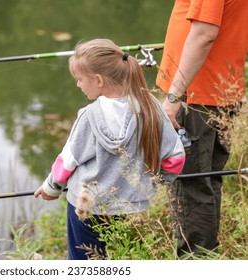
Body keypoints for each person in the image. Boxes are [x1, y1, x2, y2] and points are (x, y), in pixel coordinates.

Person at [34, 38, 186, 260]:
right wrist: (153, 183)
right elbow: (175, 158)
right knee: (128, 260)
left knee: (85, 263)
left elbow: (68, 160)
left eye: (79, 79)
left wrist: (51, 188)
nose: (78, 84)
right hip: (133, 207)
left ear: (98, 80)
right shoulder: (152, 107)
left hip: (86, 208)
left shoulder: (89, 115)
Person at [156, 0, 248, 257]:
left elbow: (204, 33)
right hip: (217, 92)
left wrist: (174, 97)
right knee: (206, 183)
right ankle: (209, 257)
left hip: (197, 97)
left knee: (190, 187)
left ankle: (197, 262)